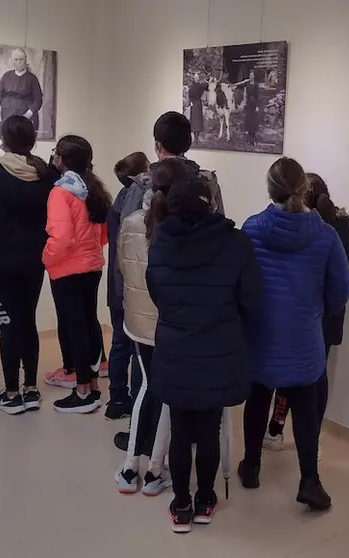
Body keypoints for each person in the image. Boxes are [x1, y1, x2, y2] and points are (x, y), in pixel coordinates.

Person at [147, 174, 262, 533]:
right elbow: (252, 298)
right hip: (218, 348)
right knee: (209, 428)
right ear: (210, 203)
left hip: (175, 348)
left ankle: (181, 505)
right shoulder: (235, 241)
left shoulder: (162, 240)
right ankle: (205, 499)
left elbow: (157, 291)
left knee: (181, 430)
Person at [239, 157, 349, 511]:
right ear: (305, 189)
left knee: (258, 400)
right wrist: (315, 311)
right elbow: (341, 289)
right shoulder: (325, 234)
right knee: (305, 408)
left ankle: (252, 466)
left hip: (261, 333)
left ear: (269, 189)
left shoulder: (252, 228)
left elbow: (240, 282)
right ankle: (309, 480)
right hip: (304, 335)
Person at [110, 111, 226, 451]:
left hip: (146, 297)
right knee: (182, 368)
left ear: (157, 145)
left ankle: (141, 438)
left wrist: (122, 300)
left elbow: (127, 253)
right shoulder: (208, 183)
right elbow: (217, 236)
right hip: (193, 298)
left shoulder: (140, 187)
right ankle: (177, 437)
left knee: (145, 372)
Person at [114, 158, 191, 498]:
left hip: (139, 322)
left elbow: (121, 268)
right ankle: (157, 471)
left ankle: (131, 467)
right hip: (173, 324)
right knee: (170, 393)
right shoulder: (187, 227)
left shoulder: (131, 222)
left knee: (147, 386)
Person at [264, 172, 349, 452]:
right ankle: (299, 433)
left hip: (306, 315)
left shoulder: (321, 230)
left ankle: (279, 430)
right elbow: (344, 279)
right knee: (313, 377)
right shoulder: (338, 227)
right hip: (321, 315)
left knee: (295, 378)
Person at [0, 115, 55, 415]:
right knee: (27, 321)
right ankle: (32, 389)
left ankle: (11, 393)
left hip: (0, 262)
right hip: (35, 261)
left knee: (8, 325)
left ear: (4, 139)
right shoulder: (44, 176)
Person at [45, 134, 112, 414]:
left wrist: (47, 259)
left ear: (61, 160)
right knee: (87, 324)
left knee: (75, 329)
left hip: (68, 269)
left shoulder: (61, 192)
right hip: (92, 266)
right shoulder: (93, 187)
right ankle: (93, 388)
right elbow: (105, 231)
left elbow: (60, 238)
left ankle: (83, 390)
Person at [103, 151, 150, 420]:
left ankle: (117, 399)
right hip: (131, 287)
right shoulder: (135, 203)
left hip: (117, 283)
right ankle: (133, 404)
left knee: (120, 344)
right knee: (136, 349)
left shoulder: (118, 202)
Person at [0, 47, 44, 130]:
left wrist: (28, 114)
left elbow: (38, 100)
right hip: (7, 114)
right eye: (16, 60)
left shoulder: (32, 78)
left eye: (21, 59)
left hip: (26, 115)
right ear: (12, 61)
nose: (18, 62)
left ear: (26, 60)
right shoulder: (7, 76)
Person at [233, 69, 260, 145]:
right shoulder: (247, 84)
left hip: (254, 105)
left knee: (254, 121)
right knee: (248, 121)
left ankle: (253, 138)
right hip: (248, 105)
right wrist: (234, 86)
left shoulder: (256, 84)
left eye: (252, 75)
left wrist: (257, 106)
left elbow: (258, 96)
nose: (251, 77)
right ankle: (249, 139)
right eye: (250, 75)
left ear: (254, 76)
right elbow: (240, 85)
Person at [188, 72, 209, 144]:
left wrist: (207, 81)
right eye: (195, 78)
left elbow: (206, 86)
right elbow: (190, 95)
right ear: (194, 79)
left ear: (198, 79)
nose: (196, 79)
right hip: (193, 104)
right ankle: (195, 138)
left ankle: (197, 138)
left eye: (197, 78)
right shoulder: (192, 86)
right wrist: (190, 102)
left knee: (198, 121)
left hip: (198, 103)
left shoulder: (200, 85)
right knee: (194, 121)